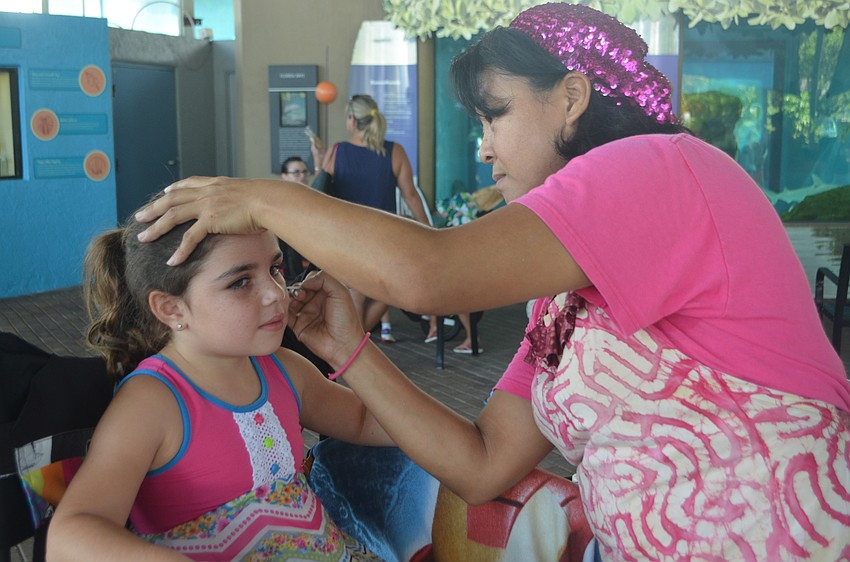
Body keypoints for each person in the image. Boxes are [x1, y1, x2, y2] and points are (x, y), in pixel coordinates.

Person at [134, 3, 850, 559]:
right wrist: (351, 348)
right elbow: (480, 464)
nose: (483, 146)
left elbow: (429, 272)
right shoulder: (561, 298)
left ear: (572, 97)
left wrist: (264, 197)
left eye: (495, 115)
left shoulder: (660, 166)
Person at [47, 208, 391, 561]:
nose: (276, 294)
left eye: (274, 269)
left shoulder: (284, 370)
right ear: (171, 309)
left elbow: (368, 420)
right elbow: (71, 533)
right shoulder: (153, 402)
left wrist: (350, 347)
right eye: (240, 282)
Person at [313, 94, 431, 343]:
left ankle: (353, 352)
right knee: (389, 291)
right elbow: (410, 195)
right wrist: (428, 229)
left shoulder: (337, 151)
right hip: (385, 237)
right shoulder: (394, 151)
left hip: (347, 238)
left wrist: (318, 159)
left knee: (355, 295)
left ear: (353, 121)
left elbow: (320, 193)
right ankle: (355, 347)